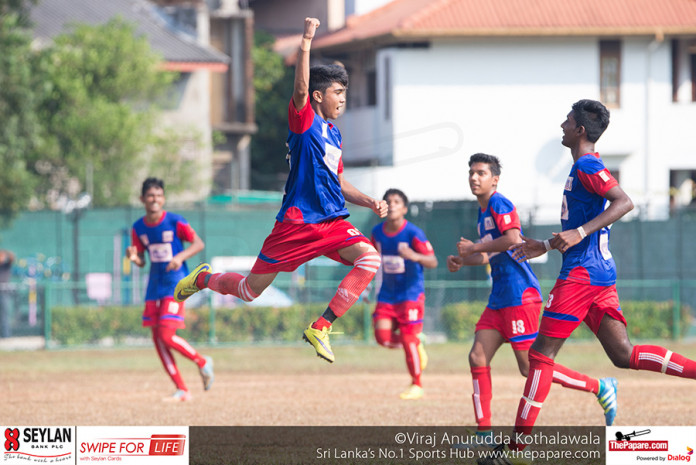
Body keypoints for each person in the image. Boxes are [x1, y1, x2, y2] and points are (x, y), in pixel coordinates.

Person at [478, 100, 696, 464]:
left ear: (580, 130)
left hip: (581, 277)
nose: (561, 125)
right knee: (623, 355)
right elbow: (588, 224)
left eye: (567, 121)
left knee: (539, 356)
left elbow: (623, 202)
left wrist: (578, 232)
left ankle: (515, 451)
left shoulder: (588, 164)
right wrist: (546, 244)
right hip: (597, 274)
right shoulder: (581, 167)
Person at [173, 17, 387, 363]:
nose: (343, 99)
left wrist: (369, 201)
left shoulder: (333, 135)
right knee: (248, 291)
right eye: (338, 93)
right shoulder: (305, 123)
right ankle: (204, 278)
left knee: (370, 258)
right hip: (296, 224)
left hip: (331, 223)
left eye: (345, 93)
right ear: (318, 96)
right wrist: (305, 42)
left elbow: (338, 181)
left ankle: (321, 327)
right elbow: (300, 90)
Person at [448, 153, 617, 444]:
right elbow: (492, 252)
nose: (474, 178)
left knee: (530, 366)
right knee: (477, 356)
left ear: (495, 180)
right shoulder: (482, 211)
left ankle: (600, 387)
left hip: (519, 295)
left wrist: (474, 246)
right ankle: (484, 433)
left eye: (481, 173)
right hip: (499, 297)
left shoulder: (499, 203)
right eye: (471, 173)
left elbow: (513, 239)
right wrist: (465, 260)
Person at [127, 177, 214, 402]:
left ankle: (203, 362)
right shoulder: (138, 227)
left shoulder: (175, 221)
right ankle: (182, 390)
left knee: (167, 334)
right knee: (157, 338)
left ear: (163, 198)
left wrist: (180, 257)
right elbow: (141, 261)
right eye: (150, 195)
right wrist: (134, 257)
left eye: (158, 195)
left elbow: (198, 243)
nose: (154, 199)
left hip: (176, 283)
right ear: (142, 199)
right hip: (154, 285)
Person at [371, 189, 437, 400]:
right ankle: (417, 342)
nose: (391, 205)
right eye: (388, 201)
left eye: (397, 201)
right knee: (382, 338)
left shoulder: (413, 233)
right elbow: (371, 260)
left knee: (408, 339)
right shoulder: (377, 233)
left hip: (411, 294)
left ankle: (416, 384)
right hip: (387, 295)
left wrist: (414, 255)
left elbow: (433, 261)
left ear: (405, 209)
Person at [0, 249, 15, 338]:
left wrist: (5, 253)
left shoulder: (6, 266)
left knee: (5, 314)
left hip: (4, 293)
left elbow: (12, 257)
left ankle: (6, 336)